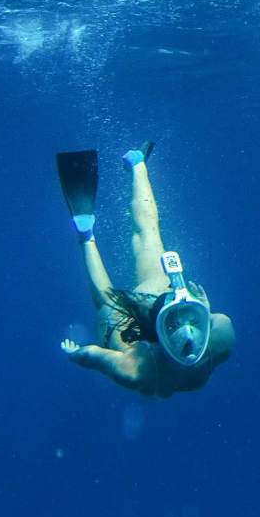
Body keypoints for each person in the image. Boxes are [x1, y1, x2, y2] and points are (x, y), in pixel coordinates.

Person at [56, 143, 234, 396]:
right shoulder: (141, 369)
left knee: (149, 236)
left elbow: (95, 356)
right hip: (159, 302)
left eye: (196, 320)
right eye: (194, 320)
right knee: (106, 301)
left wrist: (78, 354)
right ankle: (86, 236)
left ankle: (137, 163)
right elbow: (95, 356)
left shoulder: (221, 337)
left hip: (164, 292)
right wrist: (77, 354)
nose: (188, 332)